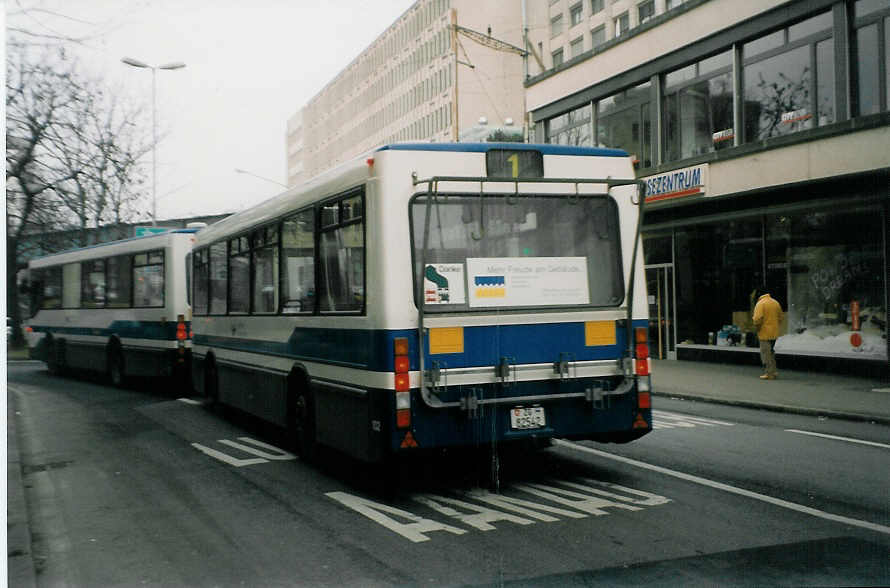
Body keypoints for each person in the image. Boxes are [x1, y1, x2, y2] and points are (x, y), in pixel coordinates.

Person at [752, 285, 783, 380]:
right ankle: (774, 371)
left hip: (764, 333)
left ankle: (769, 373)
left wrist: (757, 329)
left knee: (766, 353)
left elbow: (757, 319)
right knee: (771, 353)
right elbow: (780, 318)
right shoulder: (775, 302)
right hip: (774, 332)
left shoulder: (760, 304)